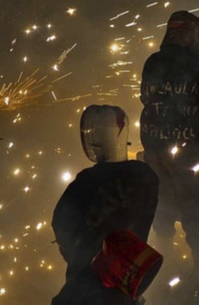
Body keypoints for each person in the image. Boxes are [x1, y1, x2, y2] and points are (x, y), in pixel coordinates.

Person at [139, 10, 199, 277]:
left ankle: (162, 263)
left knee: (162, 202)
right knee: (196, 205)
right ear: (194, 37)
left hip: (155, 149)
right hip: (189, 154)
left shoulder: (152, 62)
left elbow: (148, 99)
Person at [51, 105, 159, 305]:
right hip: (129, 280)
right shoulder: (147, 177)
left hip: (84, 289)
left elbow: (61, 227)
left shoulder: (84, 184)